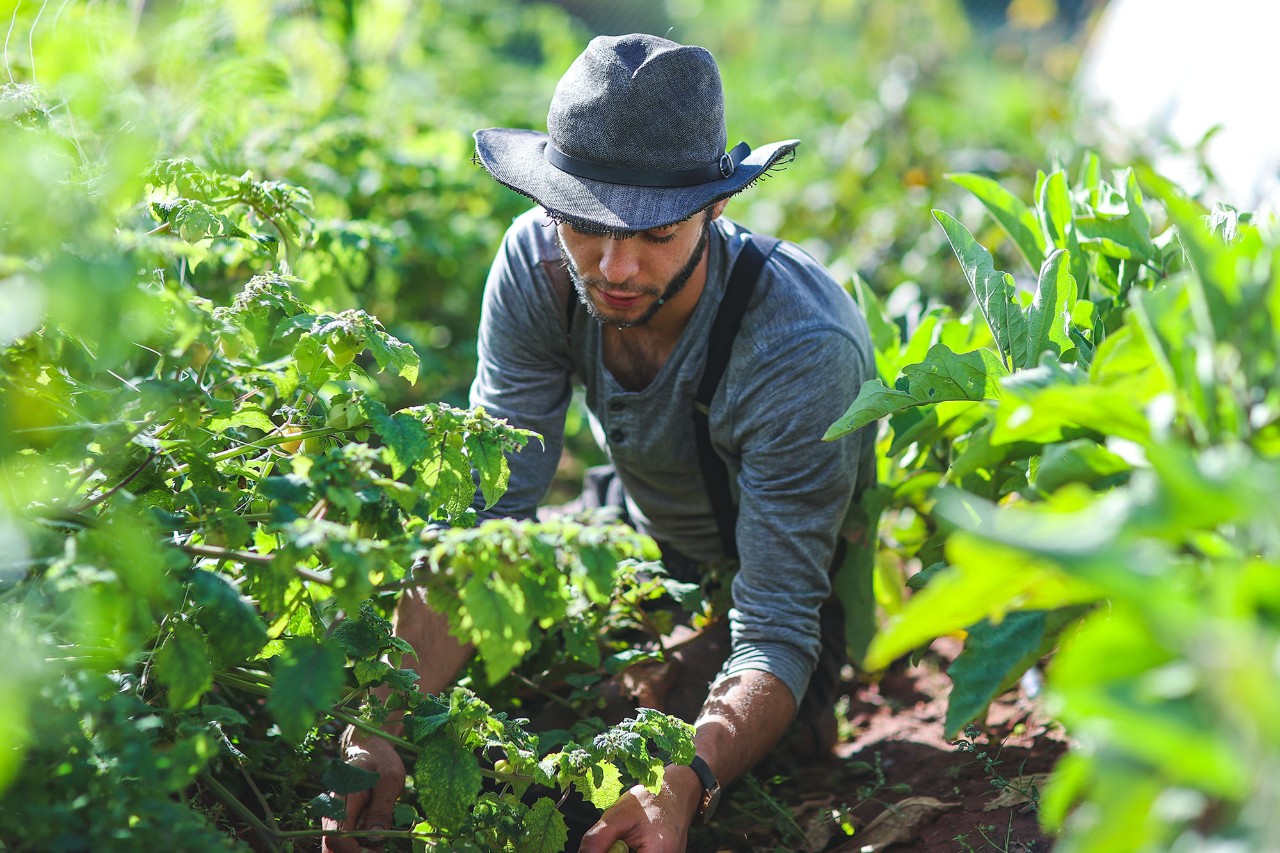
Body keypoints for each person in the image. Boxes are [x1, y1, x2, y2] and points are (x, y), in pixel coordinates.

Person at [325, 33, 877, 853]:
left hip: (775, 597)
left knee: (596, 775)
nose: (615, 265)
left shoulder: (798, 345)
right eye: (586, 223)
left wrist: (686, 781)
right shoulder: (540, 270)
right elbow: (491, 520)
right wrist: (382, 722)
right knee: (459, 709)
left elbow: (777, 627)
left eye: (655, 233)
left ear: (716, 207)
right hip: (632, 536)